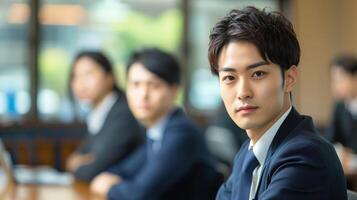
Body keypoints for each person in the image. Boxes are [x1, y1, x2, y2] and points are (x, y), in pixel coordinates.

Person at [208, 6, 347, 200]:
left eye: (258, 74)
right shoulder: (247, 154)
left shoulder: (306, 157)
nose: (242, 93)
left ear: (289, 79)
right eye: (230, 77)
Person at [90, 48, 222, 200]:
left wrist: (110, 187)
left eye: (154, 85)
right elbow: (126, 170)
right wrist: (109, 177)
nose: (143, 95)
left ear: (174, 90)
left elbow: (139, 194)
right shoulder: (156, 130)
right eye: (136, 85)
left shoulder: (181, 133)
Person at [66, 51, 144, 182]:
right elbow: (75, 158)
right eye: (75, 76)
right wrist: (86, 160)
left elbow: (91, 171)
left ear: (110, 77)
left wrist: (83, 162)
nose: (81, 83)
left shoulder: (123, 113)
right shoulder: (98, 114)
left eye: (88, 74)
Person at [325, 55, 357, 175]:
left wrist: (351, 157)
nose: (335, 86)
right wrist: (339, 150)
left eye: (340, 80)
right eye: (333, 80)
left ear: (355, 78)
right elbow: (330, 139)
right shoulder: (339, 106)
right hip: (347, 172)